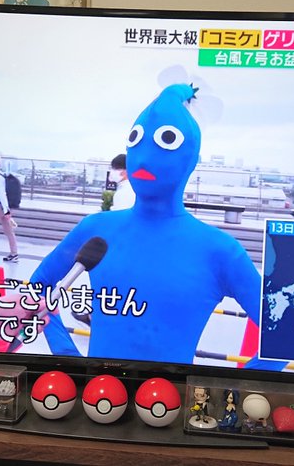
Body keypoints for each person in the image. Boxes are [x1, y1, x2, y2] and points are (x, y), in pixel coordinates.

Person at [31, 84, 280, 369]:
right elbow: (38, 288)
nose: (144, 157)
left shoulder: (219, 251)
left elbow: (284, 334)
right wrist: (68, 357)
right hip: (97, 392)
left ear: (191, 159)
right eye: (135, 140)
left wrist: (228, 389)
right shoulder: (95, 229)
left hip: (170, 397)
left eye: (166, 141)